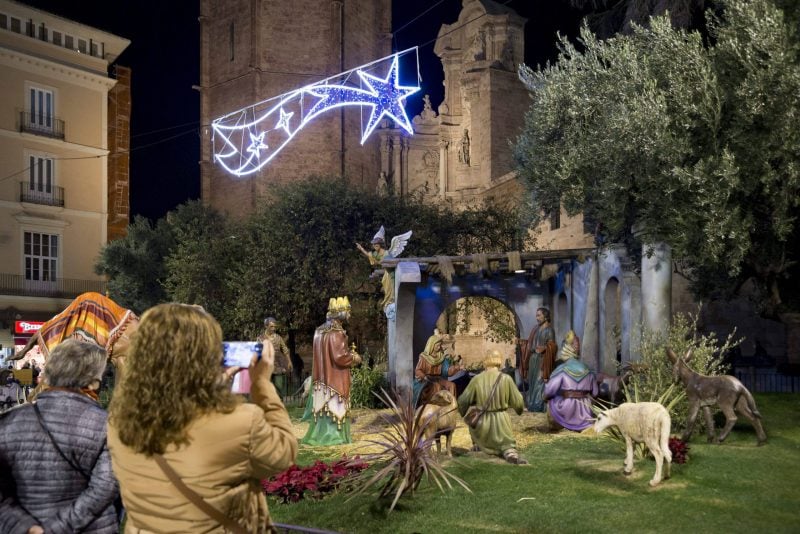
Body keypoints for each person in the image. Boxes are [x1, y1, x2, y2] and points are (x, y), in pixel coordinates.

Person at [107, 303, 296, 533]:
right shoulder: (239, 423)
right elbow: (283, 452)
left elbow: (175, 399)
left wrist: (213, 384)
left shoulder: (119, 425)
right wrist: (262, 385)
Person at [0, 339, 120, 534]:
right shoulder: (106, 425)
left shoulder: (8, 422)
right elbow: (104, 490)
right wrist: (56, 529)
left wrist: (27, 528)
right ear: (93, 381)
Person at [302, 296, 362, 446]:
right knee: (336, 408)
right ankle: (334, 437)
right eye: (348, 311)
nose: (349, 314)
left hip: (320, 381)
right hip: (335, 379)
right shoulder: (337, 332)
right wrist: (355, 358)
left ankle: (322, 435)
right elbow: (340, 357)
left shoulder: (319, 330)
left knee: (324, 409)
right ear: (341, 313)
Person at [458, 350, 527, 465]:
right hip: (502, 424)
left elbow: (463, 400)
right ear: (499, 361)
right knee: (506, 442)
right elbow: (518, 402)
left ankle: (479, 445)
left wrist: (461, 409)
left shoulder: (477, 379)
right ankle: (509, 452)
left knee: (473, 421)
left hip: (482, 425)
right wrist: (519, 409)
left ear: (485, 361)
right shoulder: (506, 379)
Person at [544, 331, 598, 431]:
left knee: (551, 401)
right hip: (586, 412)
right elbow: (595, 393)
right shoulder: (588, 370)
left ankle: (563, 425)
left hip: (566, 410)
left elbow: (548, 391)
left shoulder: (561, 370)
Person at [520, 307, 557, 412]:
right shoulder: (535, 329)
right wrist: (522, 343)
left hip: (542, 360)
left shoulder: (550, 330)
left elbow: (553, 346)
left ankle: (539, 405)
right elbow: (530, 344)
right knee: (532, 382)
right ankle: (531, 404)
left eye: (539, 315)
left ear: (545, 316)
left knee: (539, 382)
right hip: (533, 360)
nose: (537, 318)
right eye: (536, 315)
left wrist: (545, 348)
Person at [412, 330, 463, 406]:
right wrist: (424, 376)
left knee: (452, 385)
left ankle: (452, 407)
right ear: (431, 345)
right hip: (427, 380)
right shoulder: (424, 357)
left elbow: (447, 371)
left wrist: (457, 368)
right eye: (437, 345)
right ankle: (436, 408)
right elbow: (418, 370)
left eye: (440, 345)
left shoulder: (441, 357)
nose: (439, 347)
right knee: (436, 386)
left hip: (438, 378)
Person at [258, 317, 292, 397]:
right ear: (266, 326)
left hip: (278, 367)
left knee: (279, 387)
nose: (273, 329)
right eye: (271, 326)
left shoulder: (278, 338)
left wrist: (289, 361)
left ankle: (279, 404)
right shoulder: (260, 339)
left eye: (275, 327)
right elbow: (257, 352)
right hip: (266, 367)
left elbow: (285, 350)